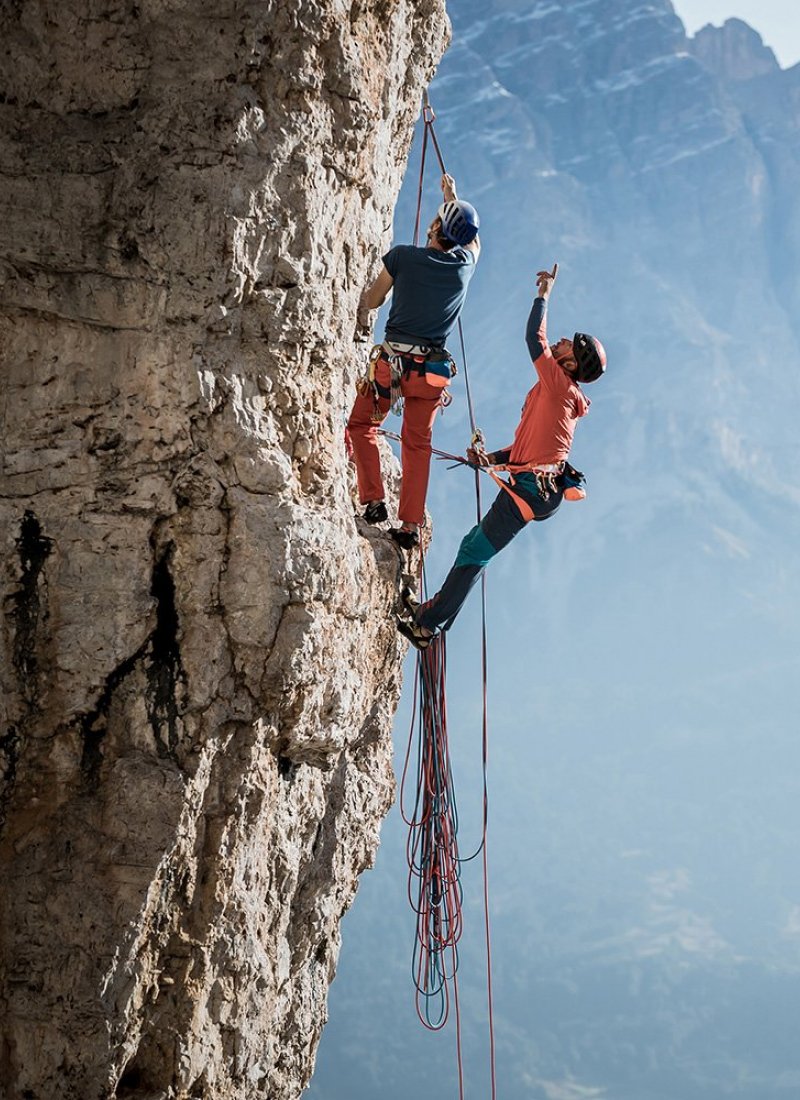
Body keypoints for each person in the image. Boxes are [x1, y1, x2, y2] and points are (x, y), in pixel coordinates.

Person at [397, 263, 606, 648]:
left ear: (571, 364)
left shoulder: (560, 385)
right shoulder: (557, 394)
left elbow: (533, 340)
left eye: (567, 345)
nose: (560, 341)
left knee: (475, 550)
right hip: (534, 486)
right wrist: (488, 459)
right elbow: (527, 449)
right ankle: (431, 619)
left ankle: (427, 624)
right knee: (473, 546)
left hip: (531, 489)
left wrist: (543, 293)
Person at [347, 173, 480, 549]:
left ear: (435, 226)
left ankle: (373, 500)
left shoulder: (403, 257)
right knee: (417, 446)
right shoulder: (464, 268)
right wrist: (454, 199)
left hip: (391, 365)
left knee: (362, 425)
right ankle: (408, 528)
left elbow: (372, 301)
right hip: (430, 376)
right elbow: (474, 241)